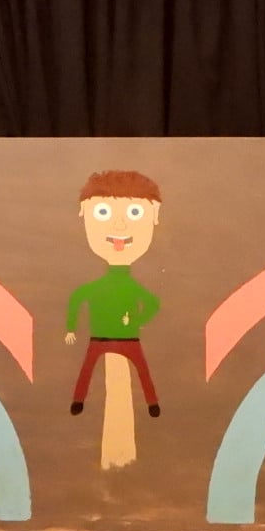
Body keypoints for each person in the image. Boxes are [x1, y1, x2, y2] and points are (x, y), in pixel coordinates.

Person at [64, 170, 164, 417]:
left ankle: (151, 404)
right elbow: (77, 298)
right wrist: (71, 328)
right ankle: (150, 404)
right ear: (83, 212)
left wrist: (137, 321)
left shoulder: (119, 286)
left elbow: (152, 303)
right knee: (97, 369)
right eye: (103, 212)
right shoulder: (101, 287)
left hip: (119, 338)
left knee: (136, 370)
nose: (120, 225)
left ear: (155, 214)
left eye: (135, 212)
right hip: (109, 338)